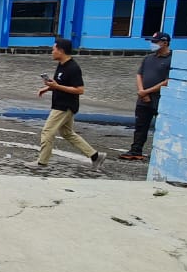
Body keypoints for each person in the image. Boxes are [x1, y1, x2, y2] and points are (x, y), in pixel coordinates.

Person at [26, 38, 106, 172]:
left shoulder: (73, 68)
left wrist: (57, 86)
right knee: (67, 133)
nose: (52, 52)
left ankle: (42, 162)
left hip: (65, 106)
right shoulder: (61, 65)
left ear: (61, 51)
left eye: (54, 49)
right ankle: (95, 156)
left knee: (47, 131)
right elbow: (60, 84)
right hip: (60, 103)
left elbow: (80, 90)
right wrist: (48, 87)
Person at [119, 31, 173, 161]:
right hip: (143, 98)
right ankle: (136, 150)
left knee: (164, 127)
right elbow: (139, 75)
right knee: (140, 126)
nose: (152, 44)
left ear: (165, 43)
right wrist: (142, 91)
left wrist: (148, 91)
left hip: (160, 99)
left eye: (155, 42)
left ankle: (163, 152)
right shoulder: (148, 58)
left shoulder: (173, 60)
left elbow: (168, 81)